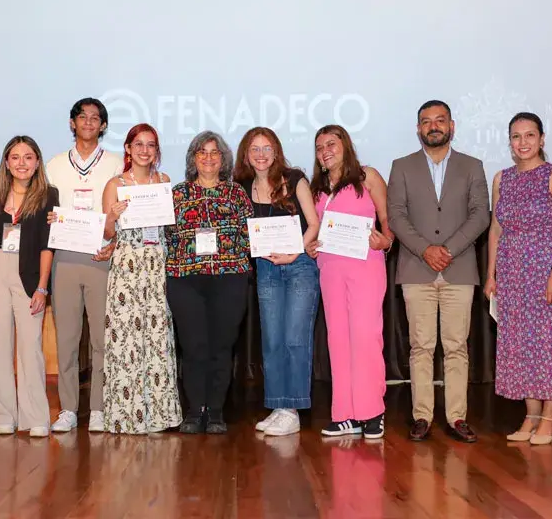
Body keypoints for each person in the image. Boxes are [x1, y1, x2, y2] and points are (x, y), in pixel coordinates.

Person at [387, 100, 490, 443]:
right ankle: (422, 416)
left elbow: (480, 215)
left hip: (459, 269)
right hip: (417, 269)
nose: (433, 126)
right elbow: (397, 216)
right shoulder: (401, 167)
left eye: (440, 120)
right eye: (426, 121)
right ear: (418, 129)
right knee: (421, 347)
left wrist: (447, 250)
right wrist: (425, 250)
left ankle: (457, 416)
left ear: (452, 126)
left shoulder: (472, 166)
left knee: (457, 346)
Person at [484, 112, 552, 445]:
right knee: (520, 343)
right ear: (509, 141)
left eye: (529, 135)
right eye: (516, 136)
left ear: (542, 139)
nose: (523, 142)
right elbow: (496, 228)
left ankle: (549, 417)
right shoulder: (501, 179)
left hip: (544, 269)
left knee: (548, 342)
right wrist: (491, 274)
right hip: (510, 272)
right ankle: (531, 415)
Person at [305, 125, 394, 439]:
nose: (325, 151)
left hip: (365, 265)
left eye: (332, 143)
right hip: (329, 268)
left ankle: (372, 412)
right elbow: (315, 229)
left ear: (346, 145)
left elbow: (388, 218)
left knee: (366, 337)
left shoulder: (367, 176)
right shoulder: (317, 187)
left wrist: (386, 241)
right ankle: (345, 414)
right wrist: (310, 246)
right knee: (338, 340)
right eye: (319, 147)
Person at [233, 127, 321, 437]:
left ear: (276, 151)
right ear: (246, 154)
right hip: (266, 269)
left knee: (294, 339)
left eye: (266, 148)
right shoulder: (241, 187)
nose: (260, 154)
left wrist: (294, 250)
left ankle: (293, 409)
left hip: (299, 266)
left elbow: (314, 224)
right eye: (254, 148)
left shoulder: (294, 179)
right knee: (271, 340)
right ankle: (278, 404)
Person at [165, 131, 253, 434]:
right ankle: (194, 410)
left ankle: (215, 411)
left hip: (229, 279)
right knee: (193, 347)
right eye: (202, 152)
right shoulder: (176, 193)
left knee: (221, 346)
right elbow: (165, 236)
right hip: (185, 280)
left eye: (215, 152)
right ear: (193, 158)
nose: (208, 157)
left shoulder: (236, 194)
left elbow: (249, 236)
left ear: (223, 159)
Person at [97, 123, 183, 434]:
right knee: (127, 340)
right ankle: (128, 416)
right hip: (127, 268)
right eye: (139, 144)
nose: (144, 150)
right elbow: (107, 233)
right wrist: (112, 217)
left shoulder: (165, 181)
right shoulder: (114, 184)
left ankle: (160, 415)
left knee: (157, 338)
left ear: (156, 151)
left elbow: (170, 228)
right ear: (129, 150)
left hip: (156, 265)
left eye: (151, 145)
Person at [45, 98, 124, 433]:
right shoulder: (54, 164)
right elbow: (42, 207)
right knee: (66, 337)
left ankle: (99, 408)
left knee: (102, 338)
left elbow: (126, 213)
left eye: (96, 118)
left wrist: (115, 244)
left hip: (102, 257)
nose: (89, 122)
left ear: (103, 126)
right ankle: (67, 410)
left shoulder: (118, 163)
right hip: (63, 256)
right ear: (72, 123)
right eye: (83, 117)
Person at [0, 135, 59, 437]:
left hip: (29, 275)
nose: (21, 163)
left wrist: (42, 287)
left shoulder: (49, 195)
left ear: (37, 162)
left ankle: (36, 417)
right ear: (6, 163)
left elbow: (49, 245)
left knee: (30, 347)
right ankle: (2, 415)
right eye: (15, 157)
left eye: (28, 157)